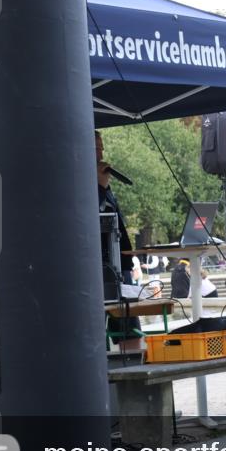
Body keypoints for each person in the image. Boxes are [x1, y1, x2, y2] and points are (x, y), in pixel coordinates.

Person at [97, 130, 141, 346]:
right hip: (101, 267)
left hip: (118, 262)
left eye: (101, 147)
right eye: (96, 148)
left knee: (129, 325)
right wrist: (100, 188)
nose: (101, 153)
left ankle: (134, 364)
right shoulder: (82, 182)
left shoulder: (102, 182)